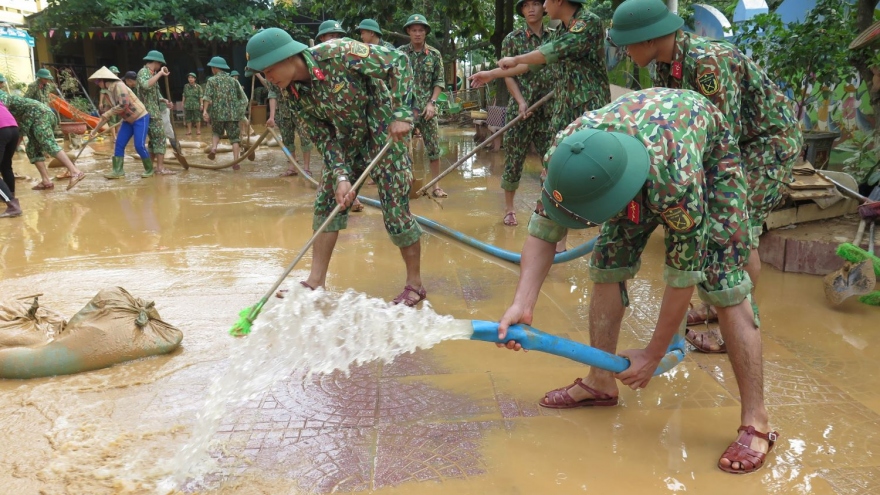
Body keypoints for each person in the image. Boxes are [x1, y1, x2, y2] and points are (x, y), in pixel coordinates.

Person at [497, 88, 776, 475]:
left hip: (708, 165)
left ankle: (756, 420)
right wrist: (522, 303)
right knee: (608, 261)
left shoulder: (675, 182)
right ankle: (600, 382)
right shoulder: (567, 151)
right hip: (633, 155)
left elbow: (682, 277)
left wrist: (653, 353)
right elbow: (544, 228)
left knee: (724, 284)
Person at [608, 0, 802, 353]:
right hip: (736, 143)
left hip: (763, 147)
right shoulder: (668, 63)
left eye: (627, 43)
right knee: (720, 227)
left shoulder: (708, 62)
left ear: (650, 39)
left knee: (737, 231)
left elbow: (722, 138)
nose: (623, 51)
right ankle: (716, 307)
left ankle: (735, 328)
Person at [245, 28, 426, 305]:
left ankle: (415, 284)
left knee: (395, 211)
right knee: (326, 203)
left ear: (287, 57)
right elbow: (322, 136)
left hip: (383, 136)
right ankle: (315, 282)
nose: (267, 78)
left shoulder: (340, 53)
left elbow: (398, 63)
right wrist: (341, 176)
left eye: (269, 70)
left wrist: (401, 113)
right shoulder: (291, 92)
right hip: (345, 144)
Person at [498, 0, 555, 227]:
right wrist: (521, 101)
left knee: (551, 161)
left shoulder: (554, 37)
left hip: (548, 110)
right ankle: (509, 209)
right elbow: (507, 74)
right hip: (519, 112)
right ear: (521, 10)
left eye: (535, 3)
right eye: (526, 5)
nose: (531, 9)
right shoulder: (512, 39)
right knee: (513, 160)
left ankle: (546, 206)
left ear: (544, 7)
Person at [400, 14, 447, 198]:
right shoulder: (401, 54)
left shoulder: (434, 55)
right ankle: (405, 185)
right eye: (414, 30)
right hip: (406, 111)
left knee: (434, 149)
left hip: (427, 111)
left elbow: (439, 81)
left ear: (426, 32)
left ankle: (436, 186)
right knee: (402, 151)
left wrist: (432, 103)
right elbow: (395, 80)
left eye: (421, 30)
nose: (417, 34)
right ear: (409, 32)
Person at [0, 90, 85, 190]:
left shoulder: (2, 95)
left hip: (40, 114)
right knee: (32, 149)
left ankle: (75, 172)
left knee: (47, 143)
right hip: (30, 120)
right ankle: (46, 181)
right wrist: (9, 153)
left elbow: (4, 105)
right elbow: (19, 135)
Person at [87, 66, 154, 179]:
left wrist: (108, 113)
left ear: (104, 80)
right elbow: (106, 116)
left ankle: (149, 169)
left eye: (98, 81)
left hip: (140, 117)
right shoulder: (109, 92)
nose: (97, 84)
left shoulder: (119, 86)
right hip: (128, 120)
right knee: (119, 144)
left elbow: (124, 104)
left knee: (139, 145)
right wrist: (94, 131)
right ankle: (118, 171)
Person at [256, 72, 313, 177]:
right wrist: (272, 117)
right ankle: (292, 167)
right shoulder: (271, 77)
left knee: (305, 139)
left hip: (300, 112)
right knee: (287, 141)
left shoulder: (294, 73)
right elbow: (272, 95)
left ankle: (306, 168)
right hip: (283, 114)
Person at [202, 56, 248, 166]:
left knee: (216, 132)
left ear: (214, 68)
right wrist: (239, 113)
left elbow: (207, 97)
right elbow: (244, 99)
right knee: (235, 139)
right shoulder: (234, 81)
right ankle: (236, 161)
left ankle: (214, 148)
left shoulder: (211, 80)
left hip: (217, 114)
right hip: (232, 115)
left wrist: (205, 111)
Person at [138, 50, 175, 175]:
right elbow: (145, 86)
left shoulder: (150, 73)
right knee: (160, 139)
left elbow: (154, 95)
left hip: (154, 111)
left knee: (154, 141)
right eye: (160, 65)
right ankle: (160, 168)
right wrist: (160, 74)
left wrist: (164, 101)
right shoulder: (143, 72)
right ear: (157, 63)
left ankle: (149, 168)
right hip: (150, 113)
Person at [0, 100, 21, 218]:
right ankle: (10, 195)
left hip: (1, 130)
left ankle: (12, 205)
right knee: (5, 166)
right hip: (13, 129)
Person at [98, 66, 121, 139]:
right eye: (114, 73)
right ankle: (114, 137)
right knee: (111, 121)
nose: (115, 75)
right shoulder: (106, 83)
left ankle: (118, 136)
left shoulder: (118, 83)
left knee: (118, 120)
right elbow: (102, 92)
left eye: (116, 74)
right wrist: (101, 102)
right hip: (109, 105)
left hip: (117, 104)